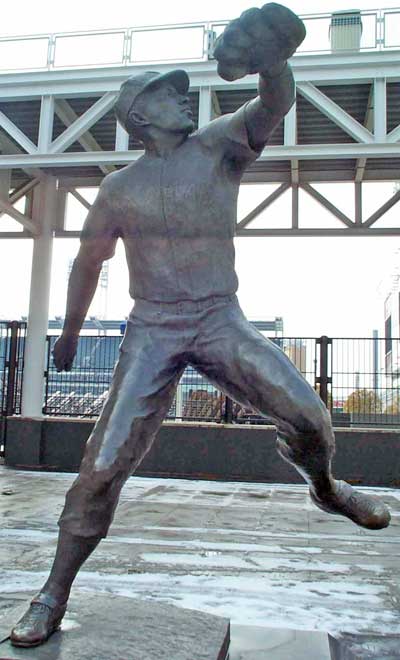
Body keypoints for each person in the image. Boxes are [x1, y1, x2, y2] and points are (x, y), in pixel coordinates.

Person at [11, 3, 390, 648]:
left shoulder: (218, 146)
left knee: (311, 419)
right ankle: (52, 592)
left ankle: (327, 489)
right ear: (140, 116)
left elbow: (274, 104)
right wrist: (69, 337)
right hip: (151, 330)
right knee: (101, 469)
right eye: (168, 97)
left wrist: (272, 62)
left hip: (219, 318)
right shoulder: (118, 189)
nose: (185, 103)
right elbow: (84, 264)